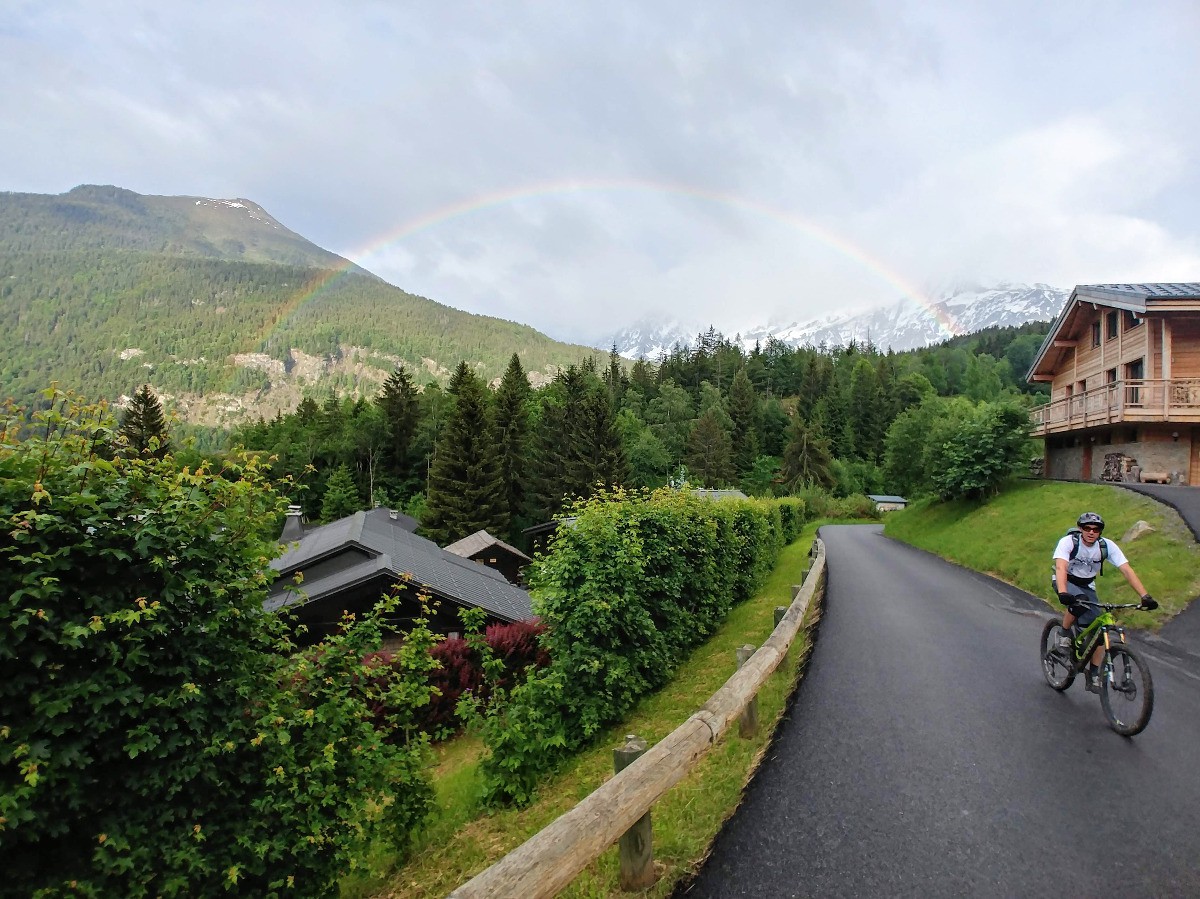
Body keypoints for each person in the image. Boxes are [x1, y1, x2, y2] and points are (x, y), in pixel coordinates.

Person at [1053, 512, 1156, 692]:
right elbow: (1061, 566)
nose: (1091, 532)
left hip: (1087, 584)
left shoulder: (1106, 546)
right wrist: (1062, 591)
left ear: (1100, 531)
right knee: (1078, 601)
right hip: (1065, 580)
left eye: (1096, 529)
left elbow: (1126, 570)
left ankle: (1093, 674)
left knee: (1101, 630)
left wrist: (1145, 596)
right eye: (1087, 528)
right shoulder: (1069, 542)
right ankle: (1064, 633)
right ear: (1080, 529)